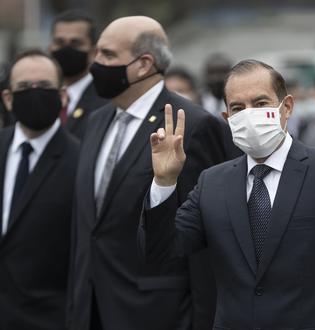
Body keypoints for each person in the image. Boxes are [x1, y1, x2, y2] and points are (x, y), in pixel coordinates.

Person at [139, 59, 315, 329]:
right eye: (238, 108)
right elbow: (162, 251)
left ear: (287, 107)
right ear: (227, 118)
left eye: (260, 104)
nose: (249, 114)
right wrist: (164, 182)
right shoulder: (212, 182)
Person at [68, 16, 227, 330]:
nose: (96, 64)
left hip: (157, 314)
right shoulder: (96, 121)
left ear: (143, 64)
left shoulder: (191, 125)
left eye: (108, 55)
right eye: (97, 53)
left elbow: (204, 243)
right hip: (89, 310)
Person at [0, 50, 79, 329]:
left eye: (44, 87)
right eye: (24, 88)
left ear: (62, 96)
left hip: (49, 318)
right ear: (8, 98)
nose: (34, 94)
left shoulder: (82, 160)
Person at [49, 10, 107, 139]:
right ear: (50, 48)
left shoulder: (106, 100)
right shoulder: (40, 93)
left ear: (94, 52)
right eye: (60, 42)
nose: (66, 49)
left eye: (75, 43)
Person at [200, 53, 231, 117]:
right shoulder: (197, 101)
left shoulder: (239, 99)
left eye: (223, 72)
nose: (218, 78)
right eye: (213, 73)